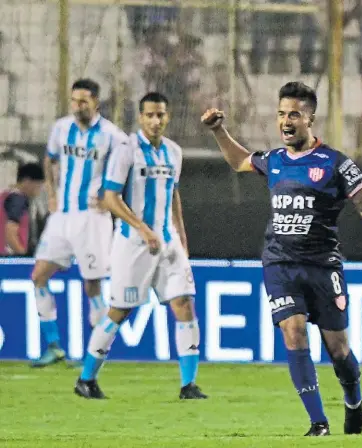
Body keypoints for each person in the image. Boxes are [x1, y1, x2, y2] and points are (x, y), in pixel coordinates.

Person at [202, 81, 362, 436]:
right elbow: (240, 160)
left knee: (339, 351)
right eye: (281, 114)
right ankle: (318, 423)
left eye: (294, 114)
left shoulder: (335, 163)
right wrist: (218, 130)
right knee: (294, 331)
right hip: (280, 264)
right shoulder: (274, 161)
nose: (285, 121)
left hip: (322, 266)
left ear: (309, 120)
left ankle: (354, 402)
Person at [74, 92, 207, 401]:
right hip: (133, 243)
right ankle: (86, 378)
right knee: (119, 311)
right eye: (149, 115)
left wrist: (181, 239)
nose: (155, 120)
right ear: (141, 117)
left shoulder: (174, 152)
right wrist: (141, 228)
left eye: (160, 115)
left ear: (168, 116)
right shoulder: (126, 150)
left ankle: (189, 385)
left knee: (185, 304)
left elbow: (173, 195)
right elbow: (110, 197)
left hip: (167, 242)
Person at [31, 79, 128, 368]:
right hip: (62, 215)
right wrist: (51, 193)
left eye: (83, 101)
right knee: (38, 276)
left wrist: (112, 196)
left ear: (96, 102)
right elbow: (49, 160)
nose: (77, 106)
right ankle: (54, 346)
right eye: (74, 100)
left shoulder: (112, 136)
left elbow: (130, 169)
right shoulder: (61, 128)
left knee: (92, 287)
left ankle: (96, 353)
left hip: (93, 219)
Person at [0, 163, 45, 255]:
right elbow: (10, 231)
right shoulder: (18, 199)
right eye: (38, 185)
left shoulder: (6, 195)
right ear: (27, 181)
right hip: (9, 258)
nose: (39, 190)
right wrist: (22, 254)